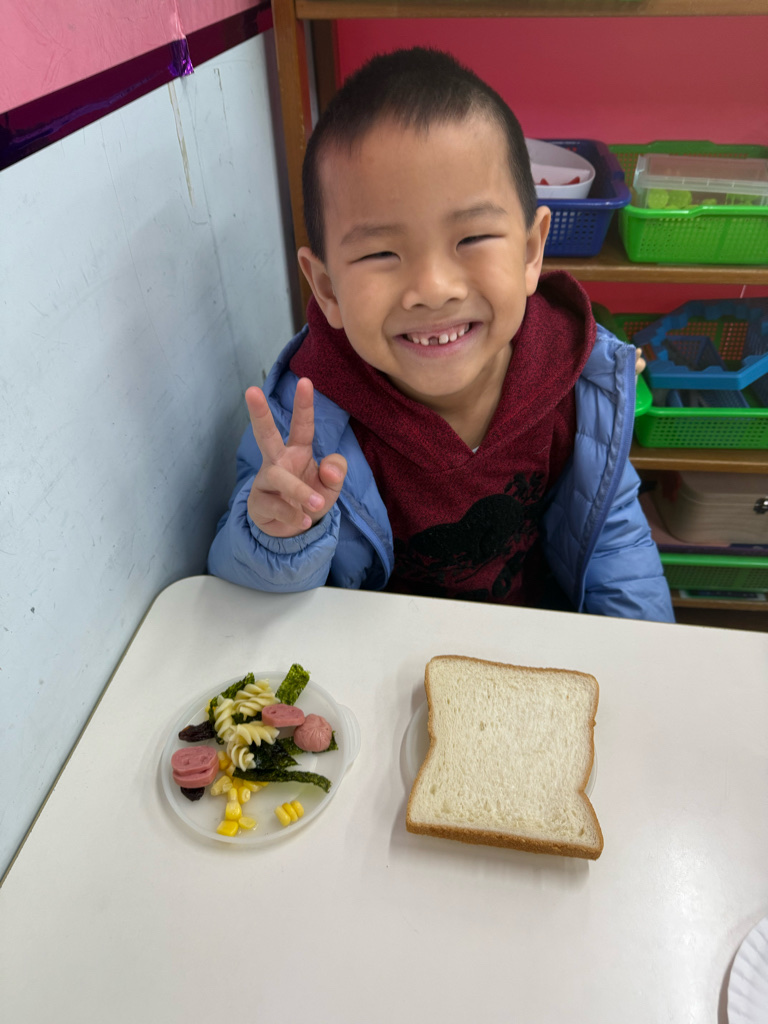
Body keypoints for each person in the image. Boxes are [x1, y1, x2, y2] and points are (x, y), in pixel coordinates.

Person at [208, 47, 674, 622]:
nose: (432, 289)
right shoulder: (303, 421)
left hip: (533, 637)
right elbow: (244, 594)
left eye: (472, 239)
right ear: (326, 289)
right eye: (381, 253)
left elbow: (616, 545)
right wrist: (280, 539)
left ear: (531, 252)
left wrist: (644, 654)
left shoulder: (575, 383)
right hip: (381, 656)